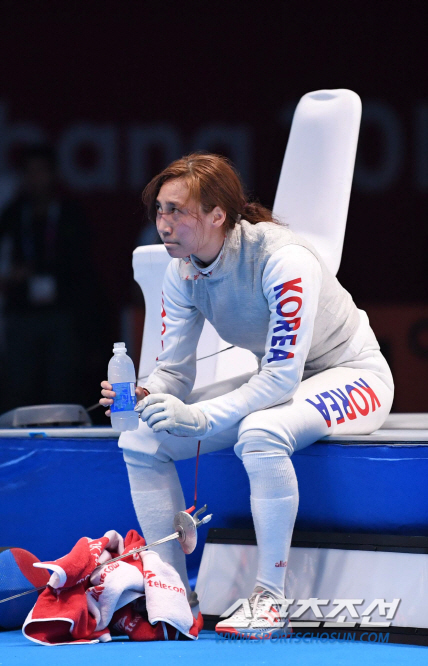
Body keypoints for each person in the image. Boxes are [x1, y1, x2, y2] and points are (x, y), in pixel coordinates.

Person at [99, 153, 394, 638]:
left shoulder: (284, 259)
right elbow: (175, 371)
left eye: (177, 211)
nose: (163, 223)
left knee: (261, 430)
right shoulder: (184, 272)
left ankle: (271, 601)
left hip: (352, 375)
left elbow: (278, 380)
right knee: (142, 442)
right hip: (288, 381)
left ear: (218, 215)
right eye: (160, 209)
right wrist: (148, 393)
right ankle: (173, 594)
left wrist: (198, 418)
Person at [0, 144, 93, 411]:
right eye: (29, 172)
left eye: (41, 172)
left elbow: (82, 257)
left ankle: (62, 445)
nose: (35, 179)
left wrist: (39, 267)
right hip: (22, 312)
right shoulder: (14, 211)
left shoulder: (69, 212)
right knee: (19, 386)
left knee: (62, 385)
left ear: (53, 174)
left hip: (62, 311)